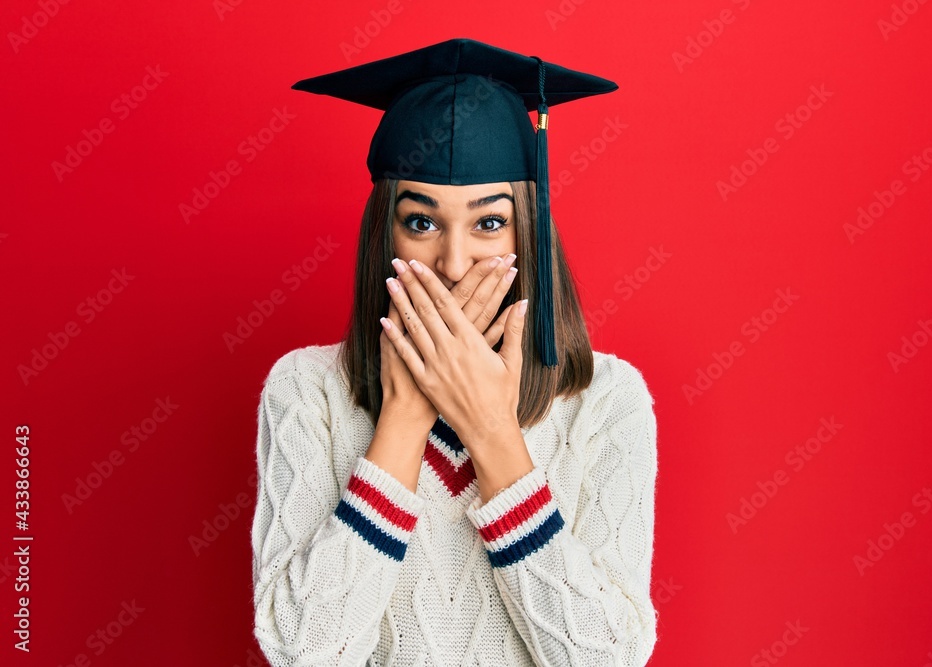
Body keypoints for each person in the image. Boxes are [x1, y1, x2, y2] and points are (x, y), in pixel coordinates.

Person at [251, 38, 659, 666]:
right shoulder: (307, 389)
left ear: (529, 226)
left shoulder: (605, 400)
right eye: (421, 222)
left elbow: (606, 658)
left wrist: (492, 431)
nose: (454, 260)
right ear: (383, 229)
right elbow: (306, 652)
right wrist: (406, 416)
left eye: (489, 223)